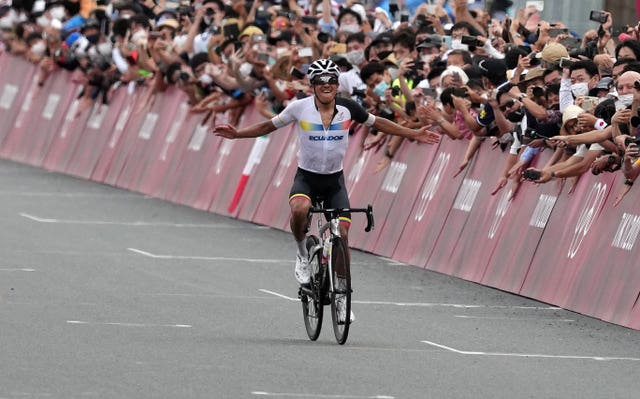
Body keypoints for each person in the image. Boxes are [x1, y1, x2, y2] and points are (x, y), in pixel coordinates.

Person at [213, 58, 440, 322]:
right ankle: (301, 255)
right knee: (299, 209)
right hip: (307, 179)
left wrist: (411, 134)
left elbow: (378, 123)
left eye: (332, 80)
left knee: (342, 234)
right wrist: (238, 133)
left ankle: (342, 297)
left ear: (337, 84)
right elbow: (268, 126)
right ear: (312, 86)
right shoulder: (299, 108)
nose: (327, 85)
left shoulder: (348, 108)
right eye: (320, 81)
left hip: (334, 181)